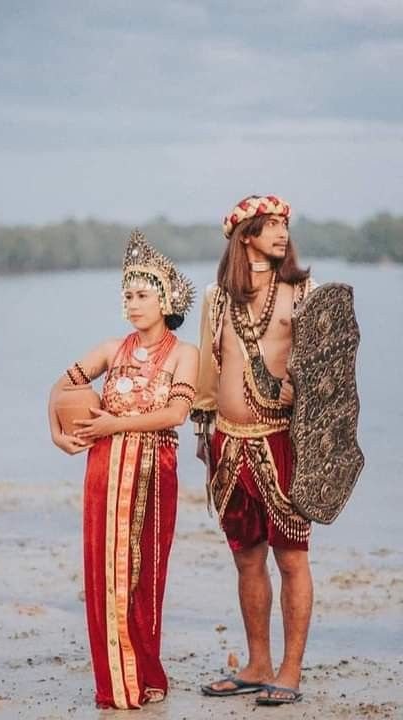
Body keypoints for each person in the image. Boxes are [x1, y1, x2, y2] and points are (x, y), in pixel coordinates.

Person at [48, 229, 199, 710]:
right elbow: (59, 387)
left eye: (143, 294)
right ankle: (116, 684)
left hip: (154, 470)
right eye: (128, 295)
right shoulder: (110, 349)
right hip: (104, 469)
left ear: (166, 298)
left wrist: (118, 421)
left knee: (145, 573)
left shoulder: (183, 354)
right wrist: (57, 430)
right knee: (105, 574)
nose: (133, 304)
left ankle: (146, 672)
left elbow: (176, 415)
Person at [191, 195, 318, 706]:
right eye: (270, 226)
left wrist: (301, 389)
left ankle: (289, 670)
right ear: (246, 236)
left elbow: (330, 374)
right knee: (246, 560)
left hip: (282, 443)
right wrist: (202, 431)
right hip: (227, 445)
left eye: (285, 225)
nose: (282, 233)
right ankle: (257, 663)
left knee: (291, 559)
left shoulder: (305, 292)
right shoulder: (216, 299)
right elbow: (206, 371)